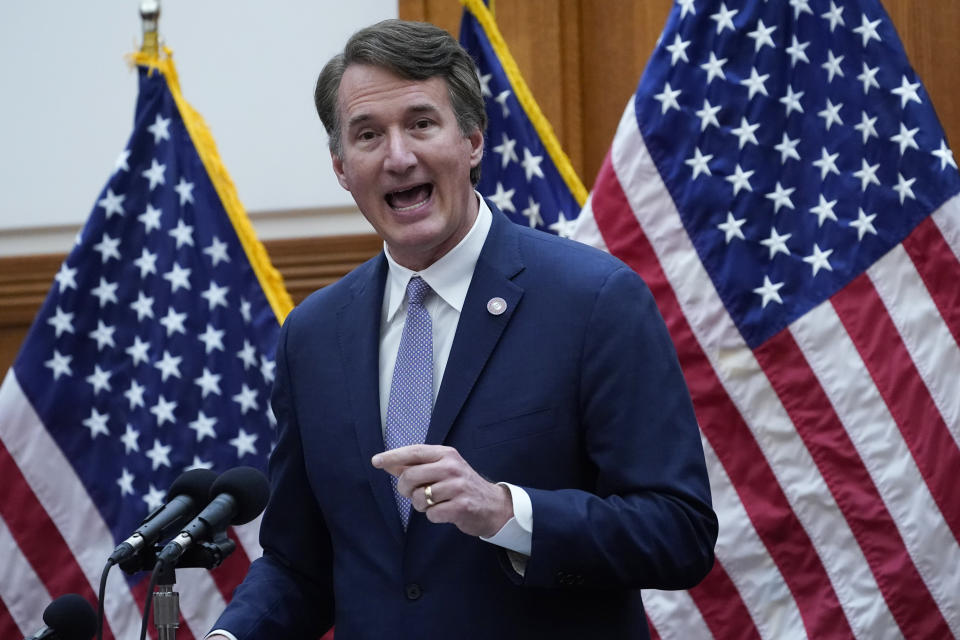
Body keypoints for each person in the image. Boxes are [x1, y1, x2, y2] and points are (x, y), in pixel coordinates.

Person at [209, 18, 717, 640]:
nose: (399, 157)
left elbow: (678, 532)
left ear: (473, 141)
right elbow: (299, 562)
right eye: (368, 135)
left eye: (422, 124)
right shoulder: (312, 336)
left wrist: (508, 512)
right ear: (342, 169)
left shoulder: (594, 300)